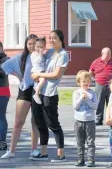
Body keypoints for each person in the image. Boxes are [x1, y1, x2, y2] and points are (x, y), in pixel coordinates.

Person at [31, 29, 69, 163]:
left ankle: (61, 154)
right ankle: (43, 152)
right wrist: (34, 74)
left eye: (54, 38)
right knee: (39, 122)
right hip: (39, 91)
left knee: (52, 123)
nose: (51, 40)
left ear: (61, 39)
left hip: (50, 93)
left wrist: (39, 75)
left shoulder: (63, 55)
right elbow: (40, 65)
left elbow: (56, 75)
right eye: (50, 38)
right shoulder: (50, 52)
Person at [0, 34, 40, 159]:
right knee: (18, 122)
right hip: (25, 90)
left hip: (38, 90)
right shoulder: (21, 57)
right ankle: (11, 151)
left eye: (34, 43)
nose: (32, 46)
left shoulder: (41, 57)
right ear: (26, 45)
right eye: (29, 44)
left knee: (35, 122)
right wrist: (18, 75)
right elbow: (5, 66)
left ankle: (34, 150)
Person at [73, 70, 98, 167]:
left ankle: (91, 160)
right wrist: (81, 98)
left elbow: (95, 106)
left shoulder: (92, 93)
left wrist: (87, 99)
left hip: (90, 120)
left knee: (90, 142)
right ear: (79, 82)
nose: (86, 83)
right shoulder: (76, 93)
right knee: (80, 142)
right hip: (79, 121)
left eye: (88, 81)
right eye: (84, 81)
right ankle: (80, 159)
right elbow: (75, 106)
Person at [89, 48, 112, 126]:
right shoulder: (96, 61)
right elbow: (91, 72)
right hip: (100, 84)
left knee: (111, 102)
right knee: (99, 102)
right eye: (107, 53)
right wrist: (95, 78)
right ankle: (99, 119)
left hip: (111, 85)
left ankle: (111, 119)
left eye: (110, 53)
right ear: (102, 54)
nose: (109, 55)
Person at [31, 37, 46, 105]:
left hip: (41, 71)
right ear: (34, 46)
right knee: (43, 80)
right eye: (37, 46)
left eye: (41, 47)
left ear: (44, 47)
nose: (39, 48)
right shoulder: (33, 54)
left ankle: (37, 89)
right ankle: (36, 94)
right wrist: (40, 55)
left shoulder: (43, 55)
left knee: (41, 82)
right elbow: (37, 62)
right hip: (36, 71)